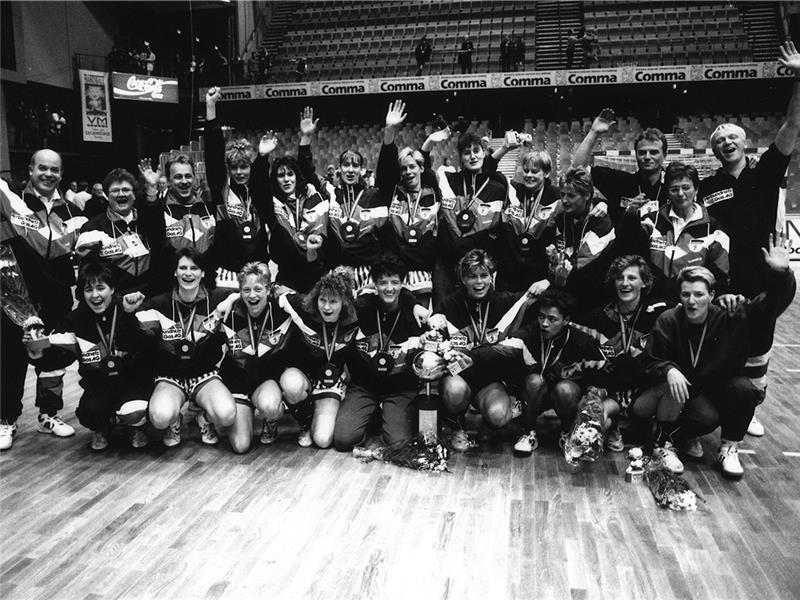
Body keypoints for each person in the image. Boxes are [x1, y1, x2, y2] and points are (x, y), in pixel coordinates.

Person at [698, 42, 800, 436]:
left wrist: (798, 78)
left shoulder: (766, 172)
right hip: (724, 279)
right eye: (719, 139)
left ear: (744, 143)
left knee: (759, 346)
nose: (726, 141)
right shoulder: (706, 186)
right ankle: (724, 405)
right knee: (724, 348)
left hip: (762, 274)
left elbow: (792, 127)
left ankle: (748, 409)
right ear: (714, 150)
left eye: (732, 137)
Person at [640, 235, 795, 479]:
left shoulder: (731, 314)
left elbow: (772, 304)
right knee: (705, 417)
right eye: (686, 294)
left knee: (745, 390)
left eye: (699, 295)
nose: (692, 301)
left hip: (715, 386)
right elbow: (652, 359)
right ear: (679, 296)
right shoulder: (669, 320)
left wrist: (781, 274)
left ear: (712, 295)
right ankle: (671, 438)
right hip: (682, 393)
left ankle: (729, 447)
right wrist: (669, 369)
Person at [0, 150, 86, 450]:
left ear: (61, 174)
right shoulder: (13, 202)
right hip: (20, 296)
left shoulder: (72, 210)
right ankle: (6, 418)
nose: (48, 174)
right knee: (11, 357)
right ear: (31, 170)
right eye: (42, 169)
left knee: (54, 357)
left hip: (58, 293)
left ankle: (48, 414)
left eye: (54, 170)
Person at [25, 261, 156, 451]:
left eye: (101, 288)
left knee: (134, 412)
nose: (95, 295)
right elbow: (57, 357)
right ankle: (104, 426)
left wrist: (128, 316)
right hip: (99, 387)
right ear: (82, 293)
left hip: (132, 384)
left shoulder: (128, 308)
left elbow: (143, 344)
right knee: (90, 414)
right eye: (89, 289)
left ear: (112, 289)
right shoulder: (75, 319)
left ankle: (135, 426)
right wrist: (36, 351)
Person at [435, 249, 537, 451]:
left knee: (498, 416)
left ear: (493, 277)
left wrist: (549, 282)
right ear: (463, 279)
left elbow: (543, 304)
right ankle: (457, 427)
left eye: (484, 275)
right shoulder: (449, 304)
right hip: (460, 376)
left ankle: (492, 424)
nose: (479, 282)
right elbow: (434, 333)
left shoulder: (506, 302)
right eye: (472, 276)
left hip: (489, 382)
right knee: (455, 391)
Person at [133, 247, 235, 448]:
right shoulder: (158, 304)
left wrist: (231, 300)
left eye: (194, 268)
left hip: (204, 375)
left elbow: (250, 291)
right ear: (175, 272)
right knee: (159, 418)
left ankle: (204, 419)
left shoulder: (216, 299)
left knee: (227, 415)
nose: (188, 273)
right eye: (183, 268)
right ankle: (174, 421)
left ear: (203, 273)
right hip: (170, 376)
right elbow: (133, 332)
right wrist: (131, 309)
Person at [573, 255, 672, 452]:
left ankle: (664, 439)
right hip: (612, 393)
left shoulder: (659, 312)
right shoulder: (598, 316)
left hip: (642, 394)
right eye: (619, 278)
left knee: (670, 385)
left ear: (644, 282)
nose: (625, 283)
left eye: (632, 278)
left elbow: (694, 306)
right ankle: (610, 429)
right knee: (589, 429)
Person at [334, 254, 426, 451]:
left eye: (395, 282)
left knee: (398, 443)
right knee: (343, 439)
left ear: (403, 284)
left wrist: (414, 303)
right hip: (365, 386)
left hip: (400, 388)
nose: (389, 288)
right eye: (383, 282)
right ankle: (372, 416)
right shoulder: (363, 308)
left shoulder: (415, 314)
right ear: (375, 285)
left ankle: (389, 414)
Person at [301, 106, 388, 290]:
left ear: (361, 170)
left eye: (355, 165)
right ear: (339, 168)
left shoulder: (372, 196)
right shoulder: (330, 193)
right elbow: (308, 172)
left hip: (368, 273)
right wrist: (306, 138)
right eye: (346, 165)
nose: (350, 169)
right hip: (337, 272)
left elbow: (388, 172)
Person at [618, 162, 730, 301]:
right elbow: (630, 245)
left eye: (686, 188)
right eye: (674, 189)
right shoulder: (653, 220)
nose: (681, 194)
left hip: (693, 302)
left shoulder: (713, 228)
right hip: (656, 301)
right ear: (668, 193)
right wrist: (631, 215)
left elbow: (720, 274)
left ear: (696, 190)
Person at [515, 289, 608, 455]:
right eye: (541, 316)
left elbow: (602, 373)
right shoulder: (530, 333)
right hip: (537, 394)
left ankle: (568, 433)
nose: (544, 323)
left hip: (565, 396)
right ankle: (527, 433)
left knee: (565, 389)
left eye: (552, 319)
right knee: (533, 381)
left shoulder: (582, 341)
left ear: (566, 320)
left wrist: (594, 398)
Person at [279, 268, 360, 449]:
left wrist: (414, 304)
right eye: (322, 300)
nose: (326, 307)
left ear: (345, 302)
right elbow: (275, 292)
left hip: (331, 382)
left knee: (323, 440)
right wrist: (230, 299)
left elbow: (378, 293)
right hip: (305, 375)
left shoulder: (356, 316)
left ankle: (321, 413)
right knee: (291, 385)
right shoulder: (303, 309)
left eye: (333, 301)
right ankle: (305, 423)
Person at [219, 262, 293, 453]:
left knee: (269, 406)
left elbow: (307, 299)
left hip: (265, 383)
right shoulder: (229, 312)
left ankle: (271, 420)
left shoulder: (281, 310)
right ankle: (208, 417)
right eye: (246, 290)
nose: (252, 295)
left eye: (258, 289)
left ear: (268, 290)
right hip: (238, 385)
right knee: (241, 446)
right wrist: (231, 298)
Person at [377, 99, 444, 300]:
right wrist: (390, 131)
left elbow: (427, 169)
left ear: (422, 168)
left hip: (424, 271)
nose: (408, 172)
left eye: (412, 167)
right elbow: (385, 168)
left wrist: (428, 143)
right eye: (404, 168)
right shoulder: (393, 192)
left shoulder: (433, 192)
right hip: (399, 272)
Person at [433, 129, 507, 310]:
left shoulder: (497, 186)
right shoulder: (448, 181)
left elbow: (497, 230)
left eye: (476, 151)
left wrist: (466, 245)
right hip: (448, 264)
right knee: (444, 315)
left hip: (480, 265)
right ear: (460, 157)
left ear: (484, 153)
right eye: (467, 152)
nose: (472, 156)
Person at [204, 86, 274, 273]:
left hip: (258, 270)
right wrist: (211, 107)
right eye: (234, 167)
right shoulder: (221, 189)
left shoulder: (257, 193)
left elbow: (262, 179)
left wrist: (262, 157)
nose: (239, 172)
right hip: (228, 272)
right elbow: (212, 155)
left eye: (244, 166)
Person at [262, 108, 329, 293]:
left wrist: (305, 138)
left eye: (290, 174)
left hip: (317, 273)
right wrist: (263, 157)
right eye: (281, 175)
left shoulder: (313, 195)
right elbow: (259, 189)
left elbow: (307, 168)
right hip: (288, 277)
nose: (286, 179)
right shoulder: (273, 204)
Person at [75, 168, 168, 297]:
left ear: (134, 195)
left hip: (149, 298)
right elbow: (87, 276)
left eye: (126, 190)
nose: (121, 194)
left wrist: (152, 187)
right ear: (106, 195)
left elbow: (159, 232)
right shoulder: (92, 228)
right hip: (114, 302)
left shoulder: (147, 221)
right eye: (115, 190)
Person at [572, 110, 669, 225]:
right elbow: (578, 169)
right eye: (642, 152)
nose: (647, 157)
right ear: (636, 154)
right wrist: (594, 132)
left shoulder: (673, 185)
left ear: (665, 155)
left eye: (653, 152)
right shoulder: (621, 182)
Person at [545, 167, 616, 312]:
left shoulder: (602, 222)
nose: (564, 200)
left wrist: (557, 270)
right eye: (562, 194)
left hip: (593, 294)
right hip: (567, 288)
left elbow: (581, 266)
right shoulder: (562, 215)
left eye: (571, 196)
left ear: (587, 195)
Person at [496, 149, 560, 293]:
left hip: (538, 277)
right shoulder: (513, 190)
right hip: (508, 277)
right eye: (526, 171)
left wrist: (601, 202)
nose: (529, 175)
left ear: (546, 173)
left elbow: (581, 197)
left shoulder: (557, 196)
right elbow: (490, 170)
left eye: (534, 171)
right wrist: (505, 148)